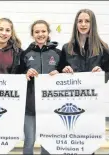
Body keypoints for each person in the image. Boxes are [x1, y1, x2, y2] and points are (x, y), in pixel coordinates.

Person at [21, 20, 64, 155]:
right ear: (32, 34)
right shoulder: (25, 53)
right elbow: (17, 75)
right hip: (30, 106)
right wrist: (26, 73)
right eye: (37, 32)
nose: (40, 34)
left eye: (43, 31)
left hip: (50, 107)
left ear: (48, 33)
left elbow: (66, 73)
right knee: (29, 141)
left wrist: (59, 73)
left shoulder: (58, 53)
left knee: (47, 142)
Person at [61, 9, 109, 84]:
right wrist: (63, 70)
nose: (83, 24)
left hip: (93, 93)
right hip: (73, 92)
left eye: (87, 21)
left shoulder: (103, 47)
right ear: (76, 24)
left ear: (92, 24)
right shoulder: (66, 48)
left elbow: (108, 72)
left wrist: (100, 74)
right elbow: (59, 71)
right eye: (80, 21)